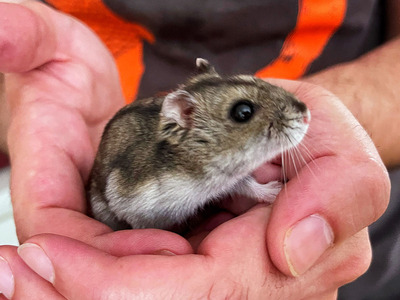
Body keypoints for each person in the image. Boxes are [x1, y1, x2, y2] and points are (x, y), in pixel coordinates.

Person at [0, 0, 396, 299]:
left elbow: (233, 176)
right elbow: (124, 198)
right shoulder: (161, 176)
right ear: (185, 119)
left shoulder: (222, 158)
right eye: (243, 112)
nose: (300, 118)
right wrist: (22, 104)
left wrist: (258, 189)